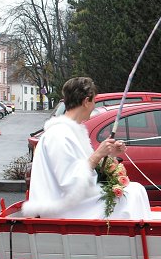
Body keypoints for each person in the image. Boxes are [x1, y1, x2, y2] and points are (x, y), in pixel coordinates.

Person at [22, 77, 151, 220]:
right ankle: (134, 237)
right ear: (86, 101)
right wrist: (97, 155)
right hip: (63, 206)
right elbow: (69, 182)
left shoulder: (69, 132)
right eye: (94, 101)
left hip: (71, 201)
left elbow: (82, 167)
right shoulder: (59, 135)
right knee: (133, 194)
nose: (94, 106)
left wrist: (107, 152)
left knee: (135, 191)